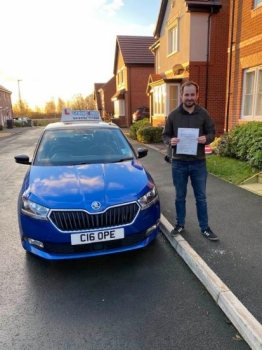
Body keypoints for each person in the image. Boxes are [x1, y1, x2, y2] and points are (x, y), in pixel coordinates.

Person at [162, 81, 218, 241]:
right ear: (181, 95)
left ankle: (205, 228)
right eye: (186, 94)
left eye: (192, 94)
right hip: (179, 163)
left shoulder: (203, 114)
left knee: (201, 197)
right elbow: (165, 135)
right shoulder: (173, 115)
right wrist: (170, 141)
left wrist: (206, 138)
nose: (189, 98)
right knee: (180, 196)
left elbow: (212, 132)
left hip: (198, 163)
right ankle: (180, 224)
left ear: (197, 95)